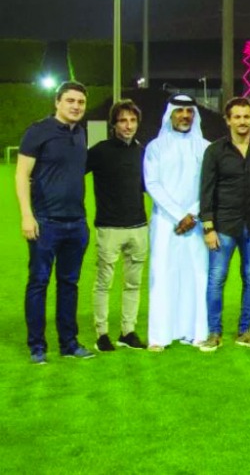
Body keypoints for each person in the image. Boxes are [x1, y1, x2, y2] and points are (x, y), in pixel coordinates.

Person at [17, 82, 94, 363]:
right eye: (70, 100)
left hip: (77, 222)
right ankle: (37, 347)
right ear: (57, 102)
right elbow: (21, 175)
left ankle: (69, 343)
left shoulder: (81, 133)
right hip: (46, 222)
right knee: (38, 283)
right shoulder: (38, 131)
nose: (76, 106)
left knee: (69, 284)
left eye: (81, 102)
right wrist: (27, 215)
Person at [198, 98, 250, 351]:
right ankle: (214, 333)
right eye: (237, 117)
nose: (242, 121)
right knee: (216, 279)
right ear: (228, 120)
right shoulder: (215, 151)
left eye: (247, 116)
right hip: (223, 226)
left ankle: (245, 331)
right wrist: (208, 227)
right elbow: (206, 191)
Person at [144, 95, 210, 352]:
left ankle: (196, 332)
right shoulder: (156, 147)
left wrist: (192, 214)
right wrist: (178, 215)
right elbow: (152, 184)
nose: (184, 116)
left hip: (196, 223)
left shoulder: (205, 147)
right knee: (162, 274)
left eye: (189, 111)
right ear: (170, 114)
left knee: (197, 275)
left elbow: (209, 186)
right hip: (165, 223)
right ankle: (159, 336)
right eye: (179, 111)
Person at [86, 99, 148, 351]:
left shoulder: (142, 152)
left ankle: (128, 331)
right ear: (114, 124)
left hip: (138, 227)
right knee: (104, 283)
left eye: (132, 120)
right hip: (109, 228)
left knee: (133, 284)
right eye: (123, 120)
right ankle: (102, 334)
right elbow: (72, 173)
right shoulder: (99, 151)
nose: (128, 125)